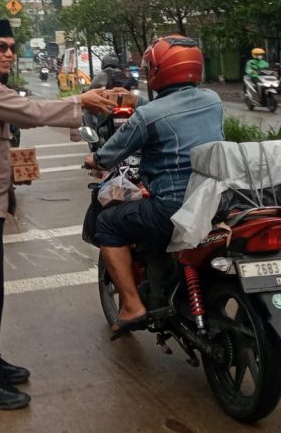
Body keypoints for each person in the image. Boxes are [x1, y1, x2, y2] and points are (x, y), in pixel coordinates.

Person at [0, 19, 116, 412]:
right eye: (0, 46)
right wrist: (80, 101)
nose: (8, 52)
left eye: (11, 47)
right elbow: (30, 112)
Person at [84, 35, 224, 336]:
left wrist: (92, 159)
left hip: (172, 207)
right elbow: (174, 110)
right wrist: (135, 101)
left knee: (107, 225)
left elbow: (109, 155)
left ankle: (133, 305)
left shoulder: (147, 116)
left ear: (159, 71)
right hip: (215, 201)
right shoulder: (213, 100)